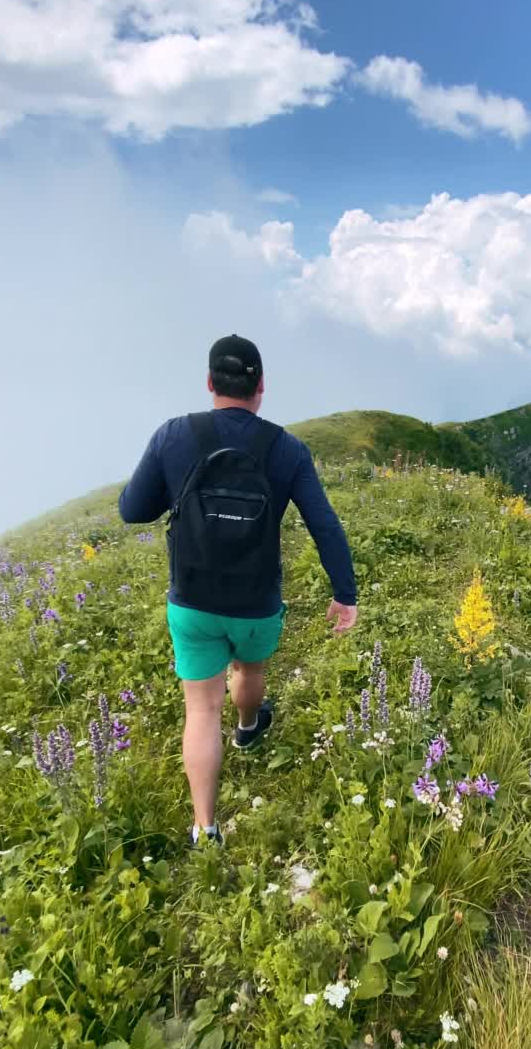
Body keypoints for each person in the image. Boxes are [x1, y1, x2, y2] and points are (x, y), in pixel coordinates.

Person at [119, 334, 358, 846]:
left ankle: (205, 828)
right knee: (250, 669)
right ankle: (249, 725)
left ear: (209, 383)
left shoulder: (173, 435)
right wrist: (345, 593)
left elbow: (131, 510)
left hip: (192, 599)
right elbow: (325, 525)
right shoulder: (287, 449)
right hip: (256, 602)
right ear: (261, 387)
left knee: (201, 710)